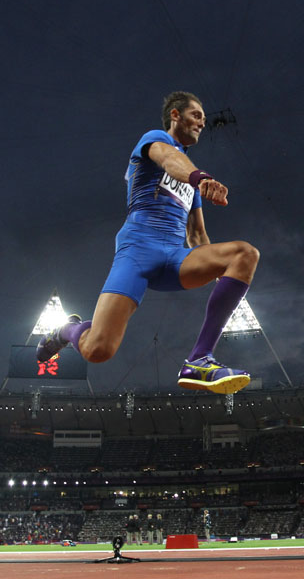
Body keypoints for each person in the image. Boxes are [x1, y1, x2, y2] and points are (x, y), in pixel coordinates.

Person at [37, 91, 259, 394]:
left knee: (244, 254)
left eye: (205, 120)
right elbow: (169, 159)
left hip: (175, 259)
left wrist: (226, 279)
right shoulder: (155, 140)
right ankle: (66, 330)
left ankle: (199, 360)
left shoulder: (192, 182)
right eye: (196, 115)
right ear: (175, 116)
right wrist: (201, 178)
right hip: (138, 253)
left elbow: (197, 236)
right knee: (98, 350)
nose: (202, 124)